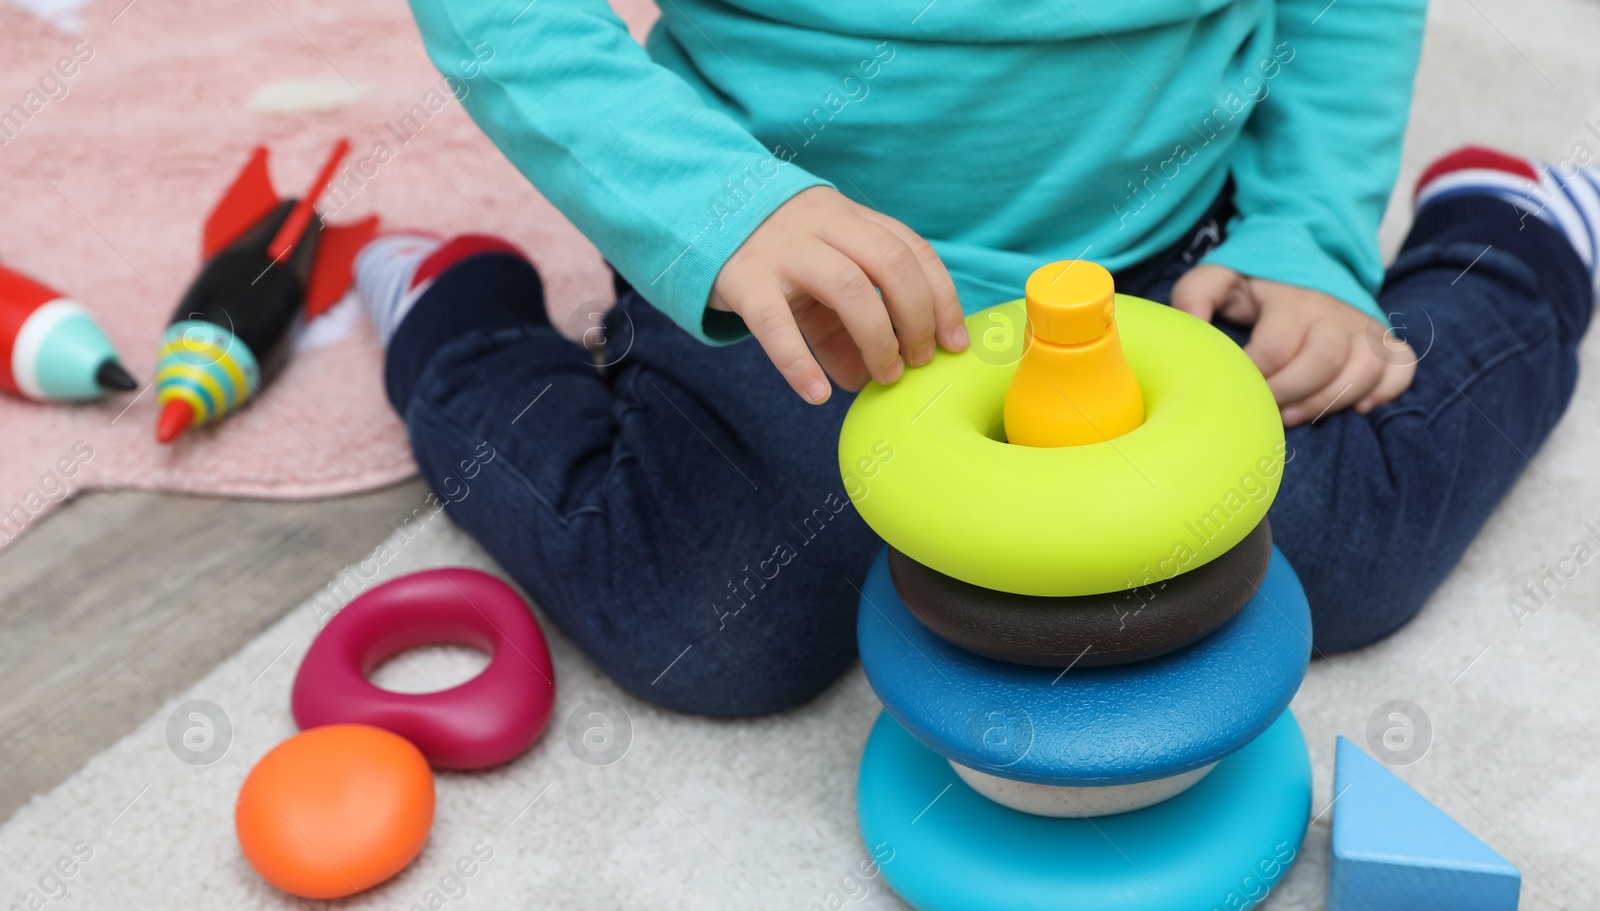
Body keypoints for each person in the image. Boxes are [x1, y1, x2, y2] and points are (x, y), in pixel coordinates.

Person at [356, 1, 1599, 716]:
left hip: (1165, 248)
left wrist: (1312, 231)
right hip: (787, 265)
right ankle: (457, 320)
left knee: (1338, 552)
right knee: (714, 628)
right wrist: (718, 211)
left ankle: (1509, 236)